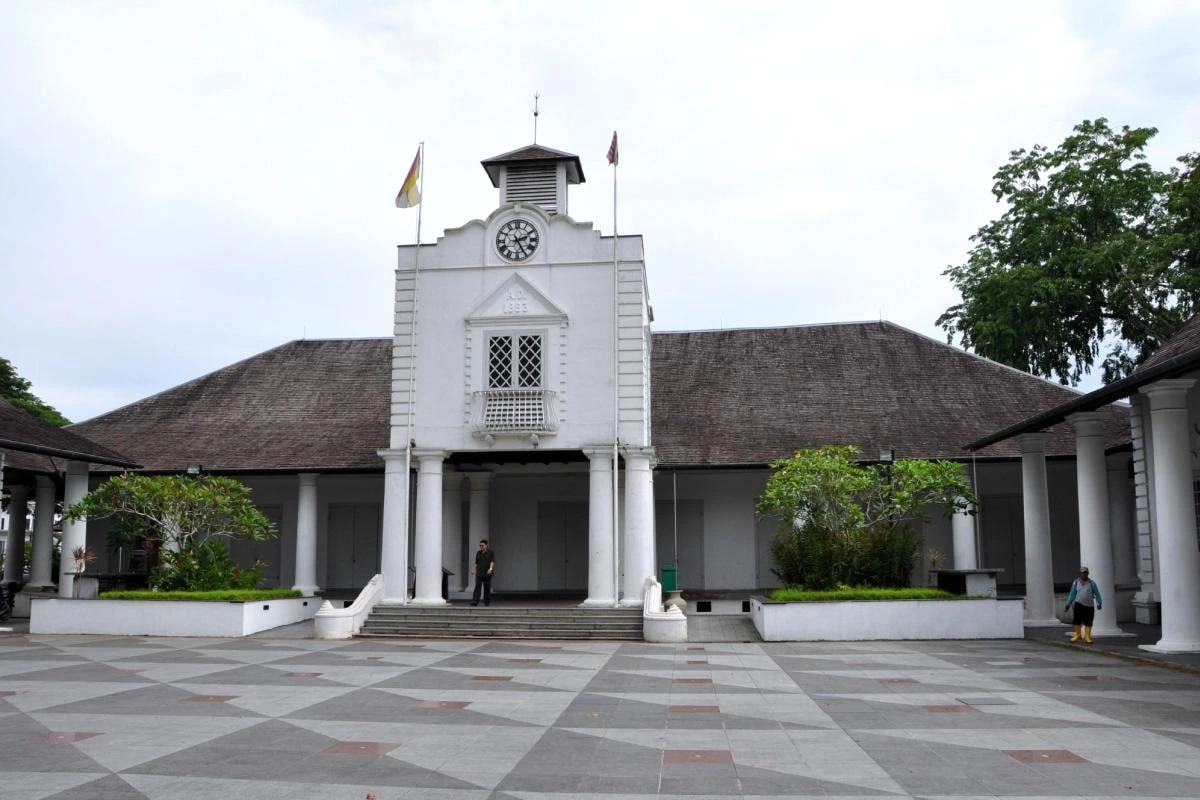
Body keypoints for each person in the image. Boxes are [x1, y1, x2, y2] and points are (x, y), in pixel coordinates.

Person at [1065, 566, 1102, 644]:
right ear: (1080, 574)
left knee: (1088, 621)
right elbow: (1072, 594)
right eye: (1083, 573)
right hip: (1078, 604)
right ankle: (1077, 634)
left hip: (1089, 605)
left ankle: (1087, 636)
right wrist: (1068, 603)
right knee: (1077, 620)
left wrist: (1099, 603)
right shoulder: (1076, 582)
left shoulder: (1092, 583)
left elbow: (1097, 594)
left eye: (1086, 573)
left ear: (1088, 574)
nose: (1084, 574)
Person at [471, 539, 495, 607]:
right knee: (477, 587)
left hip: (487, 573)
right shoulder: (478, 553)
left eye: (482, 545)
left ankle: (487, 602)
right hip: (479, 572)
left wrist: (490, 569)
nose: (481, 547)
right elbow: (476, 563)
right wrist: (474, 570)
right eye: (480, 545)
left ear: (486, 545)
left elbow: (492, 562)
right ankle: (475, 601)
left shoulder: (490, 552)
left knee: (487, 587)